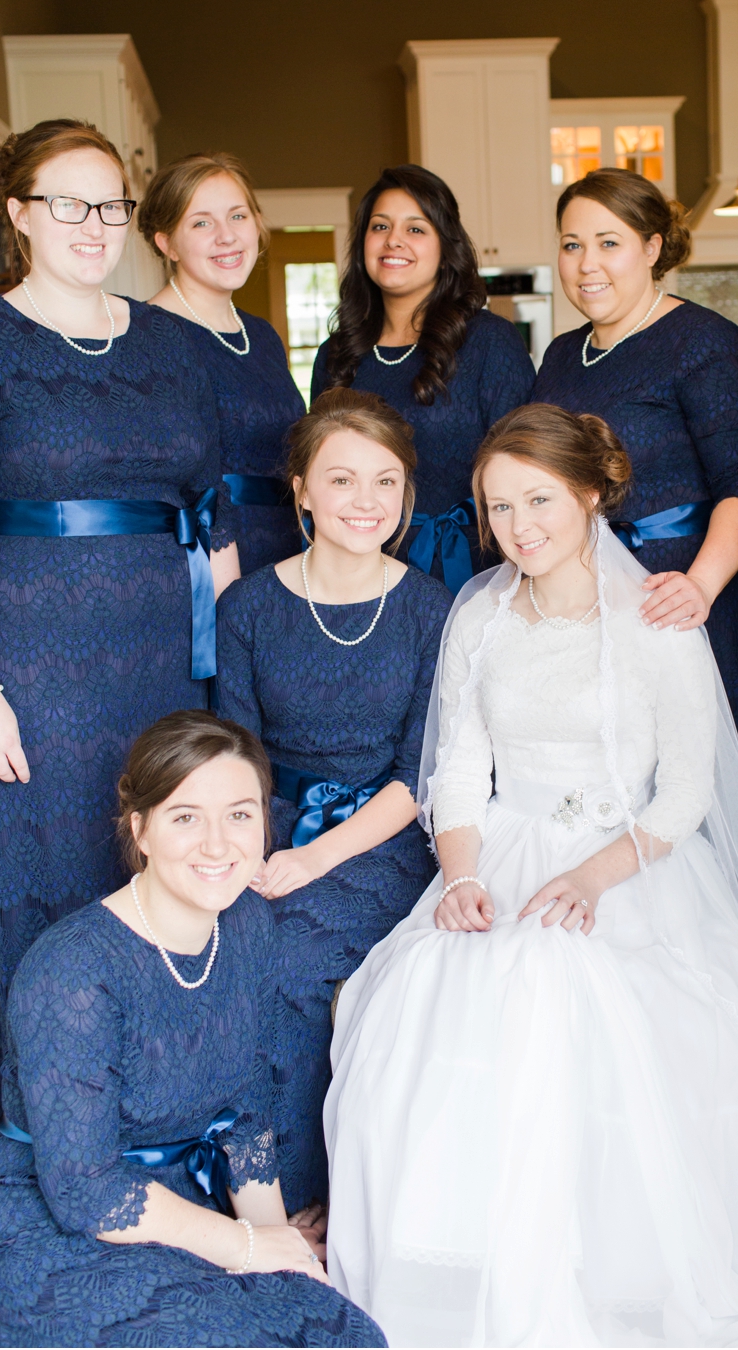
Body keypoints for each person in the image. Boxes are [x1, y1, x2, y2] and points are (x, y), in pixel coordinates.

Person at [324, 403, 738, 1349]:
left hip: (629, 860)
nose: (519, 527)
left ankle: (629, 1263)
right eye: (499, 506)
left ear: (590, 495)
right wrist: (462, 877)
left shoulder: (656, 616)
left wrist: (594, 879)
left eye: (539, 500)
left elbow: (684, 793)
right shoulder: (479, 614)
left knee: (581, 989)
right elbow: (460, 769)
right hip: (501, 852)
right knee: (429, 1001)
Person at [0, 120, 238, 1135]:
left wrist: (228, 689)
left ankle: (164, 1127)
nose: (94, 224)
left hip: (162, 667)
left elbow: (211, 516)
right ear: (20, 215)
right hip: (29, 676)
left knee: (164, 877)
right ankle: (48, 1143)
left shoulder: (173, 345)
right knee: (47, 893)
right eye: (67, 203)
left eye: (111, 204)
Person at [0, 710, 386, 1349]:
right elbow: (85, 1191)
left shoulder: (247, 926)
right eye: (186, 817)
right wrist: (247, 1245)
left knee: (341, 1331)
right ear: (141, 829)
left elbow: (244, 1112)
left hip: (185, 1210)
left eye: (239, 814)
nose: (218, 845)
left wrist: (281, 1250)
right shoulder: (73, 969)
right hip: (52, 1234)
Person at [216, 387, 453, 1212]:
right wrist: (244, 852)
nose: (366, 501)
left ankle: (299, 1199)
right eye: (342, 479)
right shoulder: (248, 606)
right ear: (302, 490)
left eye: (386, 482)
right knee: (214, 946)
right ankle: (224, 1180)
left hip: (382, 839)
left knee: (287, 964)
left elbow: (418, 775)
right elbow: (236, 756)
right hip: (267, 825)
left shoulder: (429, 608)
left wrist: (314, 857)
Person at [533, 168, 738, 761]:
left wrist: (701, 586)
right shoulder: (562, 354)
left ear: (651, 247)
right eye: (572, 245)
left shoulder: (704, 344)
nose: (587, 264)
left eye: (608, 243)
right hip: (588, 606)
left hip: (681, 603)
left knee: (685, 778)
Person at [311, 164, 534, 593]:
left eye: (415, 229)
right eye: (380, 226)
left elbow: (526, 469)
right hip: (359, 572)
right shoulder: (335, 355)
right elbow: (320, 474)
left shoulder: (489, 342)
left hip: (473, 567)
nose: (394, 240)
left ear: (446, 248)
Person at [141, 153, 306, 576]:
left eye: (238, 216)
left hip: (287, 549)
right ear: (166, 243)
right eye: (201, 223)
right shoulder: (146, 333)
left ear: (257, 223)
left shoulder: (262, 335)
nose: (227, 236)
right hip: (207, 558)